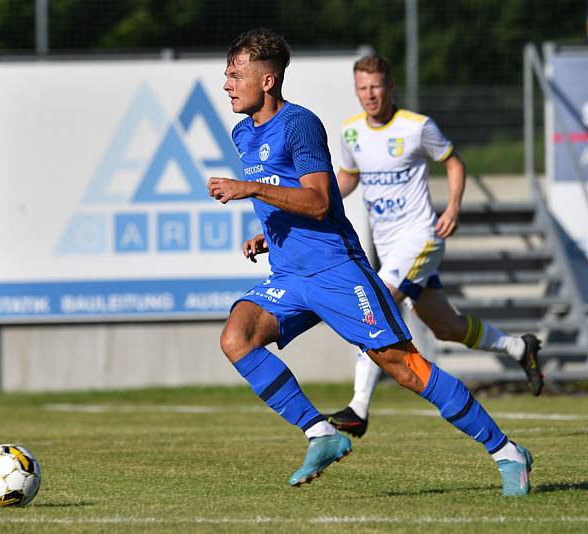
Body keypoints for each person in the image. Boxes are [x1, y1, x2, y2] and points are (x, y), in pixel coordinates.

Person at [207, 28, 532, 496]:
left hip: (337, 271)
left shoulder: (299, 124)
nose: (227, 84)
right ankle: (320, 434)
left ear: (268, 81)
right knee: (238, 337)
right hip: (290, 275)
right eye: (226, 75)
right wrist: (268, 230)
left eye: (235, 74)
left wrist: (251, 189)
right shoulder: (243, 133)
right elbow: (293, 196)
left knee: (405, 369)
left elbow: (320, 202)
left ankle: (506, 452)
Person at [327, 56, 544, 439]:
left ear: (390, 87)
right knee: (446, 327)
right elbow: (349, 176)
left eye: (376, 86)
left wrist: (454, 207)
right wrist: (322, 202)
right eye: (362, 88)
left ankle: (358, 407)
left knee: (374, 305)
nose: (370, 95)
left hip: (421, 237)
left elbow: (454, 162)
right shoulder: (351, 132)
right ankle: (517, 347)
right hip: (389, 245)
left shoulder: (416, 127)